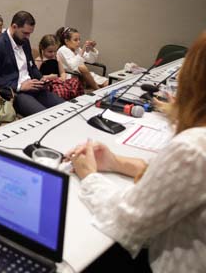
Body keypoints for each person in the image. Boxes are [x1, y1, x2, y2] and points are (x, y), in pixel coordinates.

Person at [65, 32, 206, 273]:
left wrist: (89, 175)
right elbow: (184, 183)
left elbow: (126, 221)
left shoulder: (193, 146)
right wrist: (116, 162)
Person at [0, 11, 64, 116]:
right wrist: (19, 86)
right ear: (14, 27)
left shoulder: (24, 41)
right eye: (25, 33)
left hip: (33, 87)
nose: (28, 37)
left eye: (30, 33)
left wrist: (41, 79)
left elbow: (32, 67)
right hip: (14, 93)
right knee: (44, 116)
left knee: (64, 108)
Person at [56, 26, 107, 90]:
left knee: (107, 83)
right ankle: (97, 89)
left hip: (85, 76)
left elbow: (91, 60)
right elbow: (73, 66)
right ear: (66, 41)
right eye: (75, 40)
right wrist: (83, 50)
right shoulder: (62, 50)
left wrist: (91, 49)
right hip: (73, 76)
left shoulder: (77, 49)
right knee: (82, 67)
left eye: (79, 39)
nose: (78, 42)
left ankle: (98, 88)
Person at [36, 34, 84, 101]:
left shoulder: (57, 57)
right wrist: (48, 77)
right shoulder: (39, 60)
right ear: (42, 48)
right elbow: (36, 77)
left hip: (59, 81)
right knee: (59, 90)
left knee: (76, 82)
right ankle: (63, 102)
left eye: (55, 51)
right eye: (50, 52)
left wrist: (62, 78)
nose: (53, 54)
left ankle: (78, 101)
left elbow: (62, 72)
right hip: (48, 83)